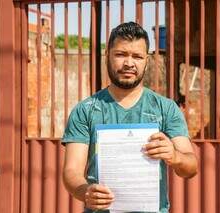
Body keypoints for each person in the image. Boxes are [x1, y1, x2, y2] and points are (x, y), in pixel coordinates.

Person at [62, 22, 198, 213]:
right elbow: (71, 171)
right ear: (107, 56)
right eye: (120, 54)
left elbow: (191, 167)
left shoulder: (166, 108)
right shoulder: (85, 110)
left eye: (137, 56)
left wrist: (174, 156)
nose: (129, 63)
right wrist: (86, 192)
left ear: (146, 61)